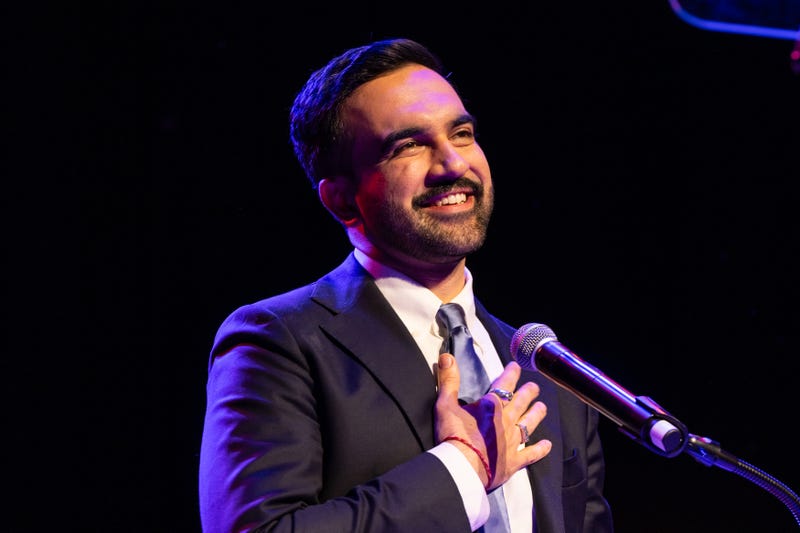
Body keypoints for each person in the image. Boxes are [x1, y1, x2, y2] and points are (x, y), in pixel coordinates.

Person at [198, 37, 614, 533]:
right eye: (409, 145)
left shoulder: (546, 370)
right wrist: (464, 469)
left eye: (461, 133)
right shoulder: (279, 342)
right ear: (342, 202)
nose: (454, 165)